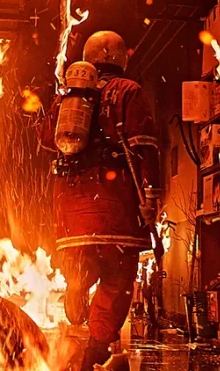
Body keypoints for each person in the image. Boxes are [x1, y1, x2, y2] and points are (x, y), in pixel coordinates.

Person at [39, 31, 161, 370]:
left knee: (85, 259)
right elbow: (144, 146)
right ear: (122, 58)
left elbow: (47, 139)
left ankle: (78, 281)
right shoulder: (129, 91)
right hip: (114, 209)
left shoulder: (67, 99)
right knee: (117, 280)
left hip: (70, 212)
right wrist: (151, 197)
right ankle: (96, 347)